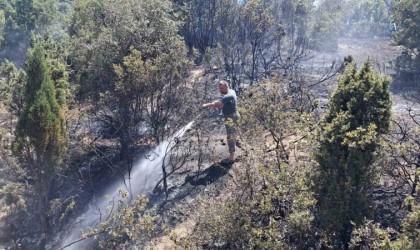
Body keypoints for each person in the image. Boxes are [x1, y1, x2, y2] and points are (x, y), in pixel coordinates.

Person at [202, 80, 240, 162]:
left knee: (230, 137)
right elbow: (221, 102)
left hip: (231, 118)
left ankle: (231, 157)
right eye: (219, 89)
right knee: (234, 134)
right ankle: (241, 146)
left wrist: (207, 105)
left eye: (222, 88)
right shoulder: (231, 91)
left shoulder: (228, 96)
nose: (220, 90)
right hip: (235, 115)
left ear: (226, 86)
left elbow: (218, 104)